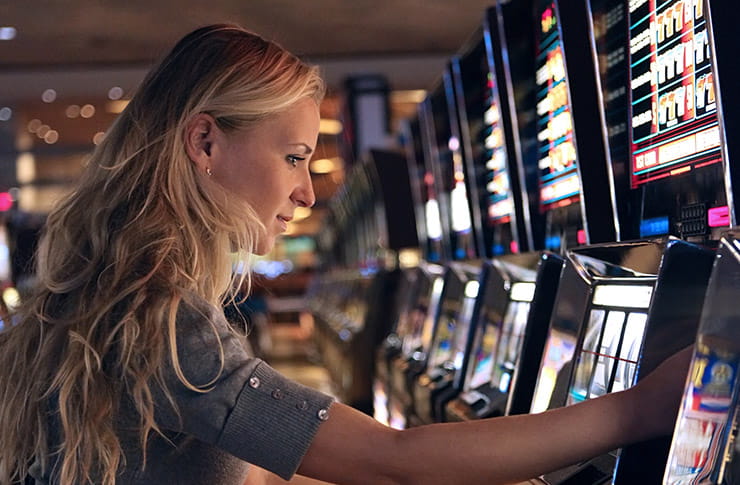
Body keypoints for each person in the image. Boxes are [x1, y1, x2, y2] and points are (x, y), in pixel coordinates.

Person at [0, 23, 692, 485]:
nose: (305, 191)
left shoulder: (120, 293)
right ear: (205, 143)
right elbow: (396, 461)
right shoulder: (162, 317)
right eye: (294, 156)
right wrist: (641, 408)